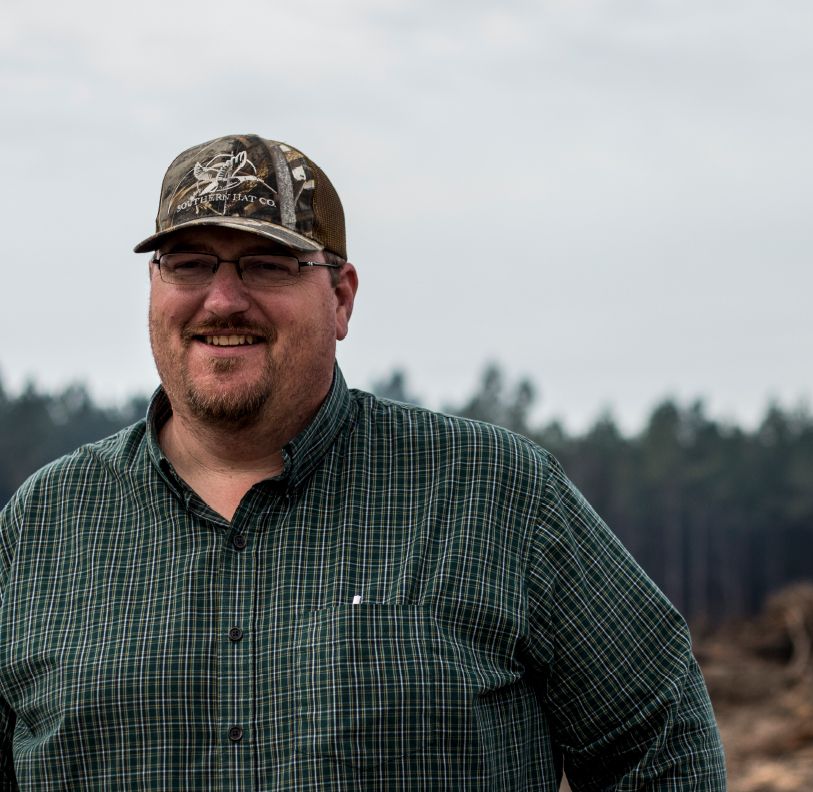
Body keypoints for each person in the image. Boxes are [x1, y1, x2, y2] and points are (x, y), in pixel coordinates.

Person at [0, 133, 726, 790]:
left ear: (341, 298)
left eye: (268, 263)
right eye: (189, 263)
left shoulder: (497, 495)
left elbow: (660, 741)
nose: (223, 299)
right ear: (154, 289)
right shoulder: (41, 526)